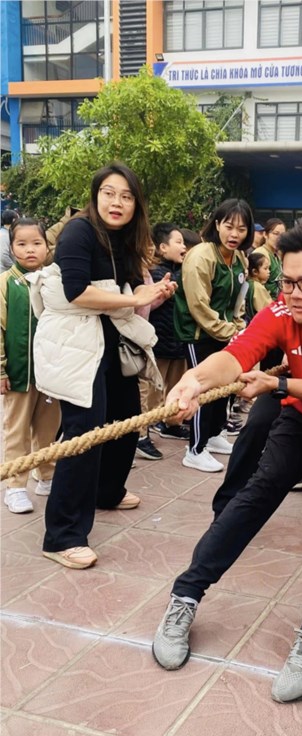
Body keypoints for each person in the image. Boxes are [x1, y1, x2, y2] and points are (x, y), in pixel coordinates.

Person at [152, 220, 302, 703]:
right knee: (257, 493)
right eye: (288, 282)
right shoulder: (282, 309)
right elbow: (238, 354)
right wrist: (194, 382)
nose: (295, 294)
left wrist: (277, 384)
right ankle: (185, 595)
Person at [32, 162, 173, 570]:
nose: (117, 202)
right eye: (109, 193)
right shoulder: (79, 231)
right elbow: (76, 292)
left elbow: (129, 289)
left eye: (126, 196)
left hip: (111, 343)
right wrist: (134, 299)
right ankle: (62, 535)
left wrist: (152, 293)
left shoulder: (125, 239)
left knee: (126, 418)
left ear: (136, 205)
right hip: (76, 344)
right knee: (85, 432)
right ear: (95, 196)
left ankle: (107, 492)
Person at [174, 198, 252, 473]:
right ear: (217, 224)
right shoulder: (201, 256)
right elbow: (199, 306)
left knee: (223, 388)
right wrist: (229, 330)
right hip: (198, 334)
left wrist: (238, 328)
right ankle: (195, 449)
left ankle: (215, 434)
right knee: (202, 389)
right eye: (229, 226)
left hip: (225, 333)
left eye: (241, 229)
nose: (234, 234)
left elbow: (239, 300)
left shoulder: (239, 258)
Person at [1, 218, 61, 513]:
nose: (30, 250)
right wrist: (1, 369)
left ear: (47, 247)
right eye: (22, 244)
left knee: (49, 429)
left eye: (37, 243)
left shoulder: (54, 280)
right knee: (17, 431)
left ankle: (46, 475)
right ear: (11, 248)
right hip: (18, 373)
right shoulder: (5, 283)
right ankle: (14, 486)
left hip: (50, 373)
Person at [139, 223, 190, 452]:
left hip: (177, 342)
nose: (183, 247)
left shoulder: (182, 271)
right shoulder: (157, 274)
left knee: (175, 388)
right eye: (178, 242)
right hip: (160, 343)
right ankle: (142, 433)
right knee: (152, 392)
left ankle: (171, 423)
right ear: (163, 247)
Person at [252, 218, 285, 299]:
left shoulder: (276, 254)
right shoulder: (261, 253)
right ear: (265, 234)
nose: (279, 238)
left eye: (282, 235)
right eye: (276, 234)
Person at [245, 250, 272, 322]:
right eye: (265, 268)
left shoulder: (248, 283)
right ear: (255, 272)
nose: (269, 271)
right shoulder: (258, 287)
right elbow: (267, 311)